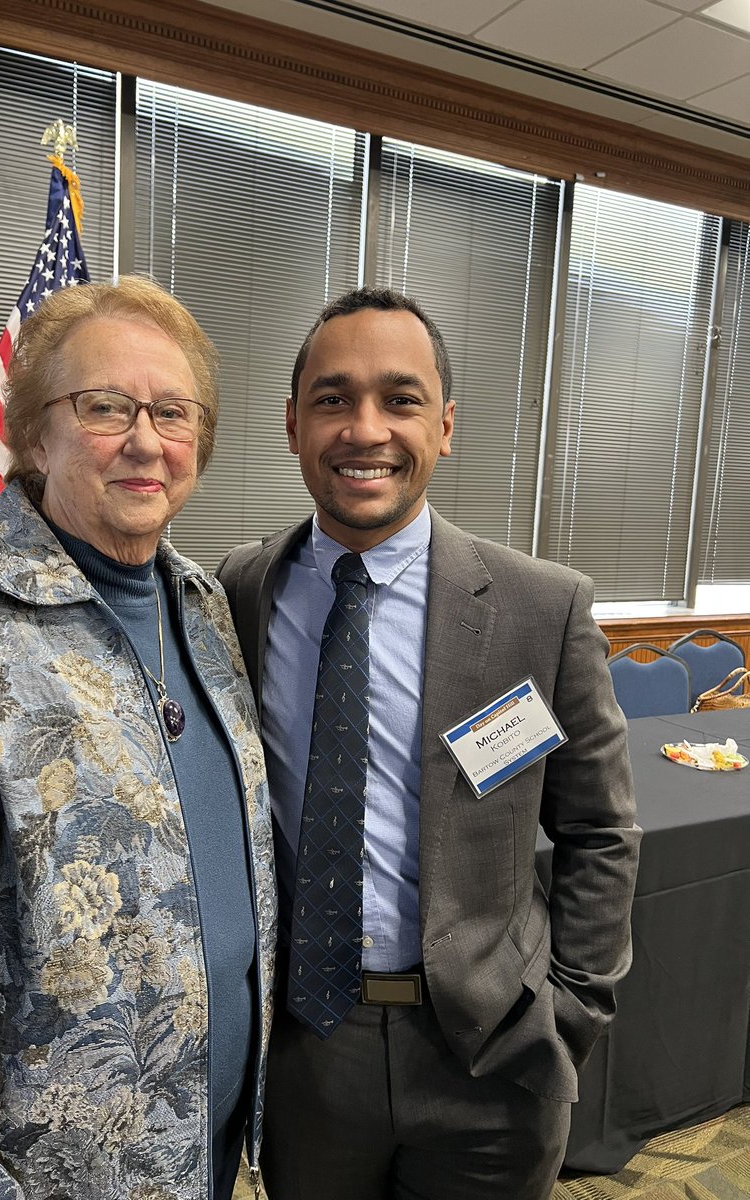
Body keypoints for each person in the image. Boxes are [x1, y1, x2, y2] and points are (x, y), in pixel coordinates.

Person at [0, 276, 276, 1199]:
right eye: (104, 406)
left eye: (172, 411)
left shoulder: (203, 608)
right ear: (32, 437)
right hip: (34, 1177)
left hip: (202, 1149)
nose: (145, 440)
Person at [217, 286, 641, 1200]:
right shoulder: (241, 593)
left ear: (444, 426)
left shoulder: (541, 607)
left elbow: (601, 831)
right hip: (307, 1049)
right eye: (333, 399)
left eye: (399, 399)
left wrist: (570, 1012)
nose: (364, 428)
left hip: (491, 1058)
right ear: (293, 426)